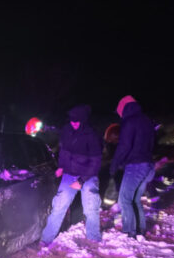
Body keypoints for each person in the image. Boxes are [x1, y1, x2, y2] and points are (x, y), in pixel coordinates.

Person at [40, 104, 103, 245]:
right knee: (58, 206)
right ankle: (46, 239)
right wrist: (61, 167)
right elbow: (63, 152)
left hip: (88, 176)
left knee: (90, 208)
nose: (74, 123)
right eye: (72, 121)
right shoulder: (67, 131)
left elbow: (95, 162)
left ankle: (94, 238)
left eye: (77, 121)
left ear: (83, 120)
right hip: (69, 174)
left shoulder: (92, 135)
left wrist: (81, 180)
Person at [110, 95, 156, 239]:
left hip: (135, 166)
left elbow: (124, 146)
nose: (120, 115)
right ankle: (140, 229)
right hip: (147, 164)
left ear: (123, 109)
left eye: (119, 112)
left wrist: (115, 163)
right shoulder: (146, 120)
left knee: (124, 199)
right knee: (135, 199)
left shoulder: (129, 122)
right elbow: (151, 144)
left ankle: (129, 231)